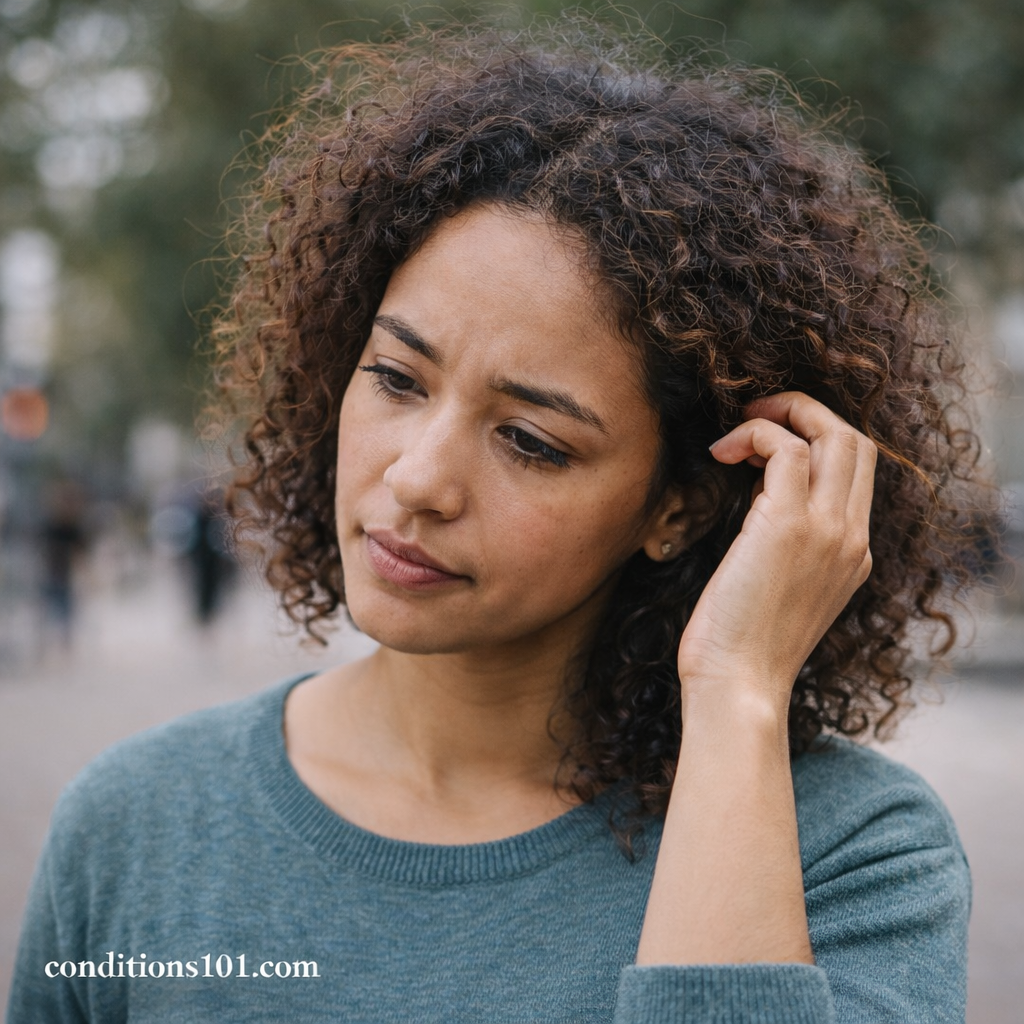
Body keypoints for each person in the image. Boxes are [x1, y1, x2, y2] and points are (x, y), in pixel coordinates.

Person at [8, 20, 991, 1024]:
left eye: (529, 440)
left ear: (678, 504)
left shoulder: (852, 854)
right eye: (394, 377)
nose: (419, 476)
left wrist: (736, 697)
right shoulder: (139, 822)